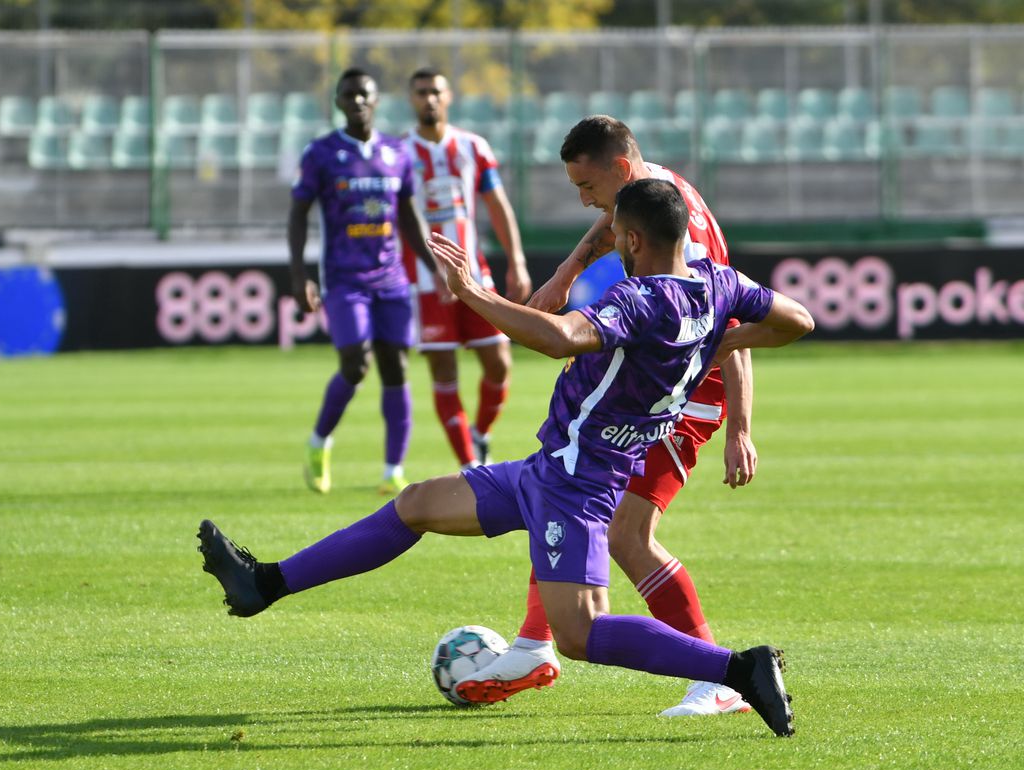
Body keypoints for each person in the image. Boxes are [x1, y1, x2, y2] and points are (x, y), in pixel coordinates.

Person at [198, 178, 813, 737]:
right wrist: (721, 339)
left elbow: (558, 337)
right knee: (415, 504)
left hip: (574, 486)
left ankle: (738, 669)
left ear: (631, 238)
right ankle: (265, 584)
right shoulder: (718, 285)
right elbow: (799, 319)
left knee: (579, 635)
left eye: (614, 235)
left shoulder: (641, 300)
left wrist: (471, 293)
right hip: (551, 470)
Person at [509, 115, 758, 717]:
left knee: (625, 531)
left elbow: (733, 328)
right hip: (648, 393)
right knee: (568, 488)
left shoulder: (687, 245)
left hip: (688, 397)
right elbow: (604, 226)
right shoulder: (654, 189)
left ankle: (718, 677)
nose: (585, 201)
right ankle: (534, 645)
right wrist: (566, 273)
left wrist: (740, 428)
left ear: (620, 171)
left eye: (588, 187)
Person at [288, 67, 440, 497]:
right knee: (355, 362)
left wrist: (434, 269)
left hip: (391, 278)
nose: (356, 101)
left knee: (396, 367)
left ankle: (393, 470)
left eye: (364, 95)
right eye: (349, 95)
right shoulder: (321, 153)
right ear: (338, 102)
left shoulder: (396, 152)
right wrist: (299, 275)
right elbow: (298, 213)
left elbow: (408, 216)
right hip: (343, 278)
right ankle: (319, 443)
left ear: (376, 101)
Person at [400, 68, 532, 469]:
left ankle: (481, 432)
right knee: (443, 366)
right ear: (412, 99)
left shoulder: (473, 147)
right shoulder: (399, 154)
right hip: (425, 283)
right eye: (421, 92)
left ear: (449, 96)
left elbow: (497, 205)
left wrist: (517, 261)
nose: (429, 99)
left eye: (436, 91)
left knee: (499, 362)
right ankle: (469, 464)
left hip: (475, 273)